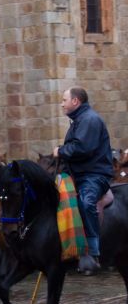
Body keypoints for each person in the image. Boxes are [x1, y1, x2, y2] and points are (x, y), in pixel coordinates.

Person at [53, 86, 113, 275]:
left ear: (75, 101)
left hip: (94, 175)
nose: (62, 104)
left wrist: (60, 151)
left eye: (64, 100)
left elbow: (82, 148)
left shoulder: (89, 120)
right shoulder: (78, 120)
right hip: (77, 175)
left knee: (87, 202)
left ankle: (92, 253)